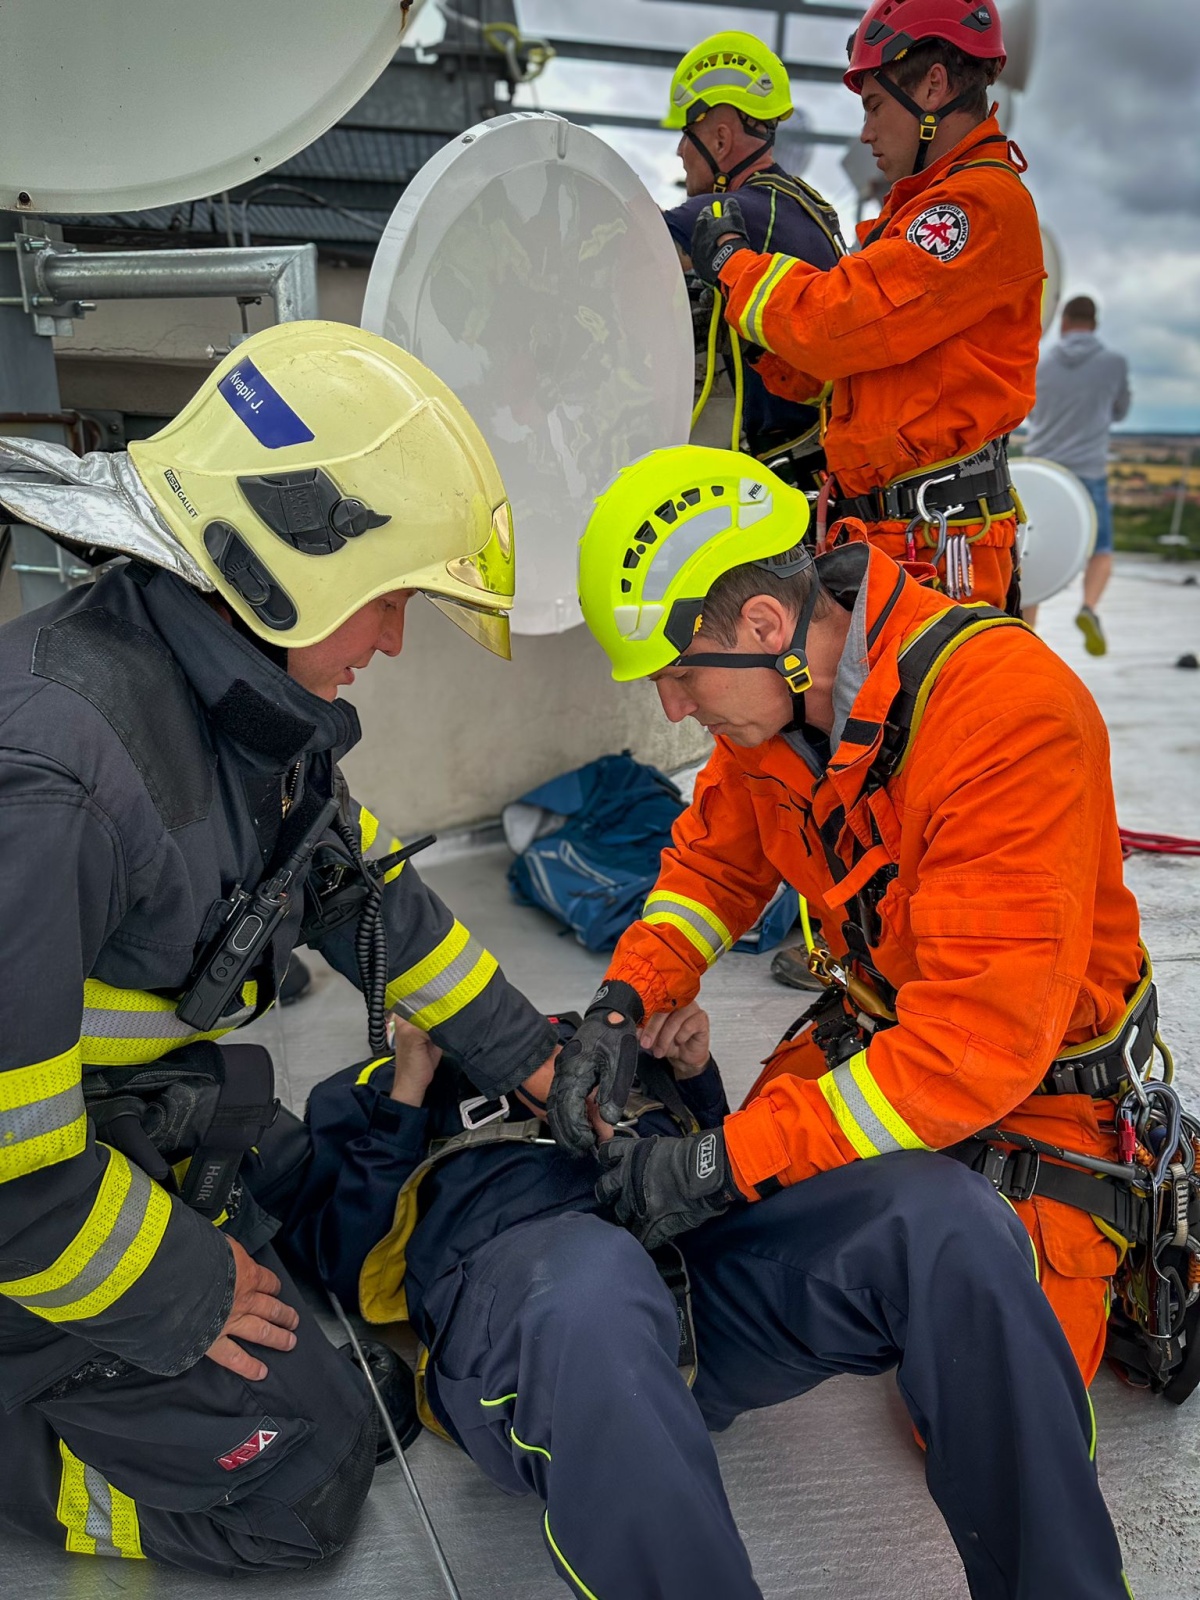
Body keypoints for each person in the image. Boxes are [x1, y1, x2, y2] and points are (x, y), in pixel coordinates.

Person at [0, 322, 560, 1575]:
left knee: (326, 1235)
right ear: (290, 559)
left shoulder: (244, 715)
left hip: (125, 1126)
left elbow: (380, 912)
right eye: (396, 597)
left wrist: (541, 1066)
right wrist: (180, 1295)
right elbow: (8, 1175)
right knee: (301, 1481)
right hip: (25, 1208)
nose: (397, 642)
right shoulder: (50, 776)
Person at [557, 444, 1157, 1404]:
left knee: (977, 1405)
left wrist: (725, 1156)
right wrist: (625, 1001)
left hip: (1033, 1094)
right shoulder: (774, 710)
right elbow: (714, 869)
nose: (672, 706)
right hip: (880, 1040)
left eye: (678, 675)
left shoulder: (1005, 718)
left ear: (763, 624)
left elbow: (974, 1051)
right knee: (728, 1248)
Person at [286, 1004, 1129, 1600]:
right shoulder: (365, 1091)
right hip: (532, 1295)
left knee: (945, 1213)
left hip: (691, 1277)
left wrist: (694, 1075)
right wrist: (406, 1088)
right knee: (588, 1285)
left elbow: (714, 1169)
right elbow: (340, 1255)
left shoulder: (581, 1040)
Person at [684, 0, 1043, 613]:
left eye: (875, 106)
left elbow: (837, 323)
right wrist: (765, 350)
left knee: (921, 706)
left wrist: (730, 264)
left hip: (937, 549)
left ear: (933, 86)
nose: (866, 132)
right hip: (896, 537)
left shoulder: (973, 208)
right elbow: (844, 371)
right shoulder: (921, 211)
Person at [660, 30, 845, 485]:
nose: (681, 152)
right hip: (813, 470)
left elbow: (619, 240)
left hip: (777, 479)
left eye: (687, 134)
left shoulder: (736, 212)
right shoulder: (805, 208)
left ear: (720, 140)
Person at [1023, 295, 1131, 653]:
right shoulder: (1114, 363)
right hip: (1088, 470)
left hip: (1042, 469)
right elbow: (1120, 410)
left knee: (1028, 551)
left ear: (1064, 321)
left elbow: (1030, 411)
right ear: (1094, 323)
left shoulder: (1041, 360)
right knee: (1101, 549)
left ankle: (1027, 631)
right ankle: (1089, 607)